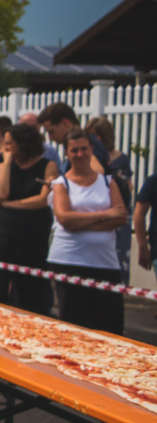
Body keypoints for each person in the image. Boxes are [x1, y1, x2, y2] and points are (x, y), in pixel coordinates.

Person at [48, 128, 128, 334]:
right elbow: (64, 218)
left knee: (110, 326)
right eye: (74, 150)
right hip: (69, 260)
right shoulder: (61, 183)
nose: (80, 154)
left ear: (92, 149)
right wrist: (103, 215)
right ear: (67, 153)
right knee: (74, 326)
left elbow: (120, 216)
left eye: (84, 149)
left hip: (104, 262)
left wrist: (80, 221)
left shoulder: (108, 182)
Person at [0, 123, 57, 315]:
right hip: (4, 235)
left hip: (33, 236)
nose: (5, 147)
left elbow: (43, 200)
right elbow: (1, 193)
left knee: (31, 290)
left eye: (9, 143)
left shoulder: (47, 165)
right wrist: (8, 163)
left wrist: (9, 204)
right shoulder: (4, 165)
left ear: (23, 143)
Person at [86, 116, 133, 275]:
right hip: (98, 212)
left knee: (118, 254)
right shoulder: (88, 158)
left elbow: (128, 187)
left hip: (117, 211)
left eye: (95, 135)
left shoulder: (120, 158)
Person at [39, 102, 107, 174]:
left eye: (51, 131)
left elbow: (97, 172)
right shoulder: (87, 141)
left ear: (65, 123)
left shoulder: (86, 143)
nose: (50, 137)